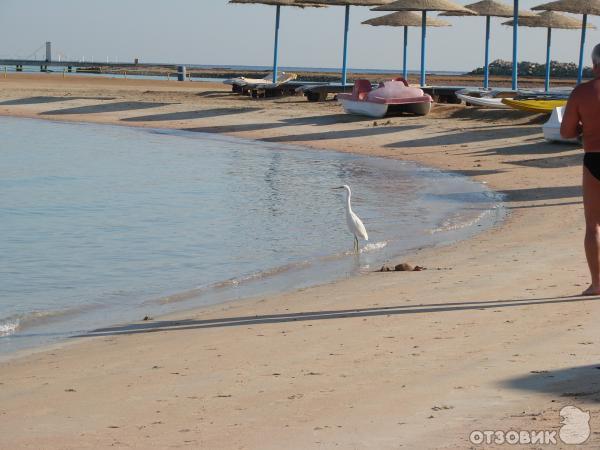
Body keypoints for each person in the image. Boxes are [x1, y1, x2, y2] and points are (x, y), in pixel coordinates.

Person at [562, 43, 600, 295]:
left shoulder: (582, 92)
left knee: (593, 225)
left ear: (595, 64)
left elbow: (565, 132)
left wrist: (582, 130)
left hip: (595, 158)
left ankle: (598, 284)